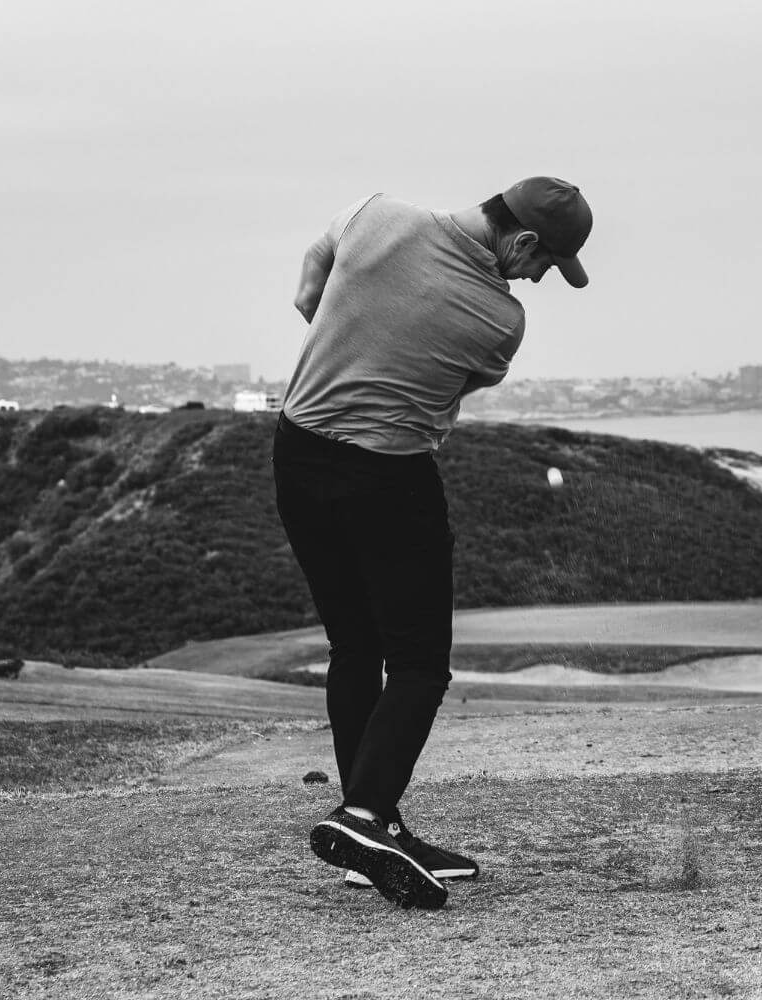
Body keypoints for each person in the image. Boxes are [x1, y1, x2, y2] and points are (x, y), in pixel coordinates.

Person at [272, 176, 593, 909]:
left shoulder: (372, 214)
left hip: (296, 455)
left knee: (354, 646)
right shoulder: (498, 319)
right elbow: (448, 386)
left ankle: (375, 827)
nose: (539, 279)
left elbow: (306, 295)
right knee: (419, 664)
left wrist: (351, 331)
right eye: (546, 264)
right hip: (388, 477)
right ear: (520, 242)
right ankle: (359, 816)